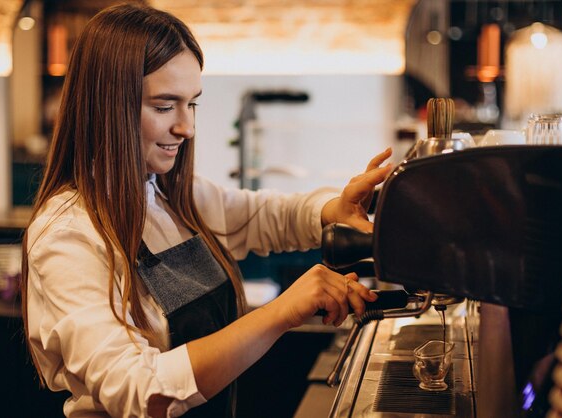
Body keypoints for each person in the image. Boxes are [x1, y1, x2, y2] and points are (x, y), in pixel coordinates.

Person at [20, 3, 393, 418]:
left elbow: (267, 216)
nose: (186, 127)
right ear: (107, 107)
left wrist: (335, 208)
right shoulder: (68, 234)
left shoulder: (172, 197)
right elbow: (139, 390)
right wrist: (283, 311)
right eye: (164, 107)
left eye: (191, 104)